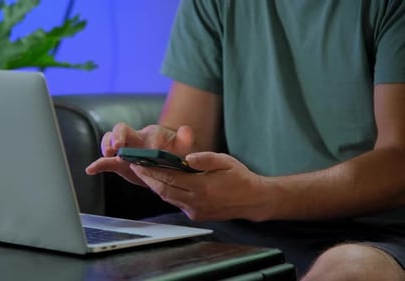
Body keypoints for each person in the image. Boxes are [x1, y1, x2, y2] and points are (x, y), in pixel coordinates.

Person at [86, 0, 405, 280]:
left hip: (379, 231)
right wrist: (162, 153)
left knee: (349, 270)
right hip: (243, 222)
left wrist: (259, 196)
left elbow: (398, 163)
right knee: (104, 261)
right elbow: (186, 136)